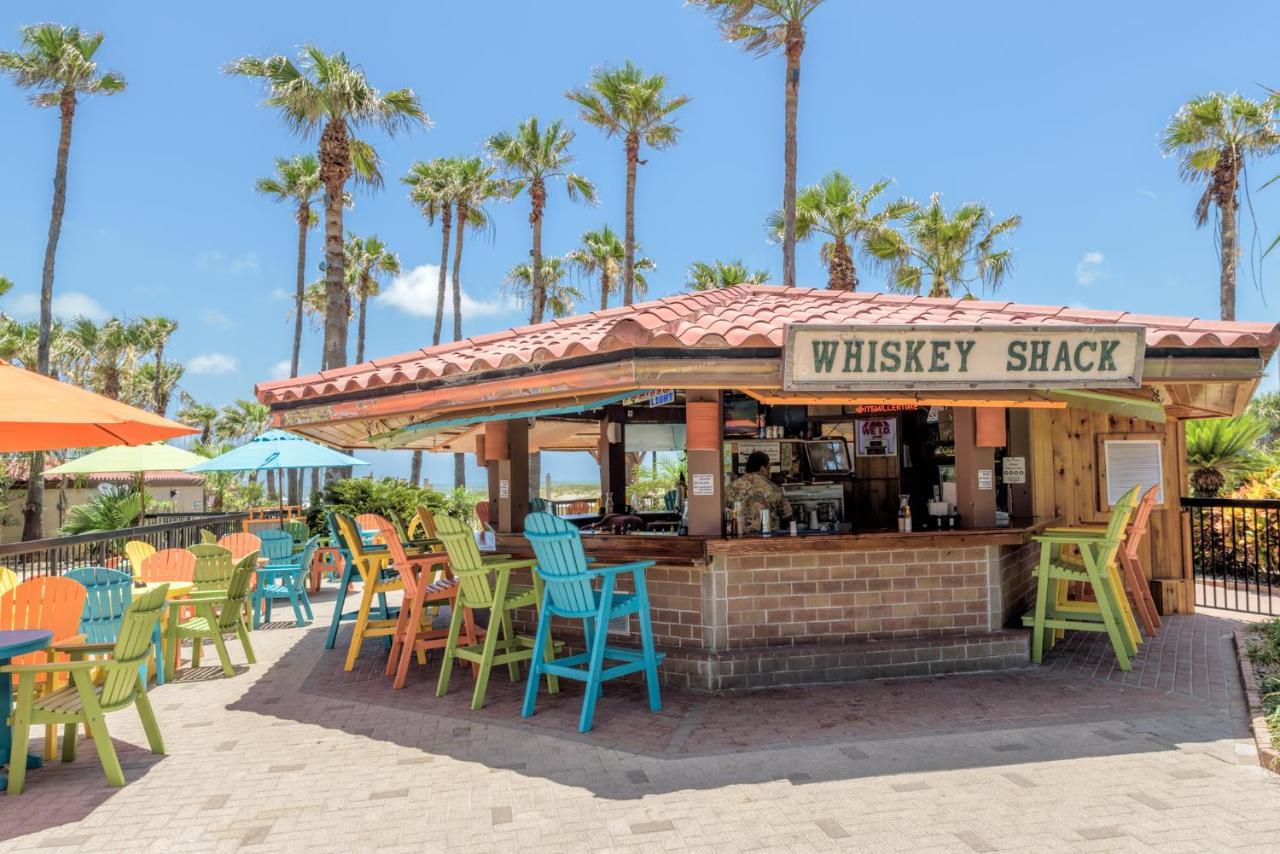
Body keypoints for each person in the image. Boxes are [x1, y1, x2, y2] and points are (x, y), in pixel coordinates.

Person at [725, 450, 793, 535]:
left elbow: (725, 513)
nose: (769, 472)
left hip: (739, 537)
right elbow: (787, 515)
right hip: (767, 539)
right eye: (769, 468)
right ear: (762, 469)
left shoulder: (731, 487)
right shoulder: (772, 488)